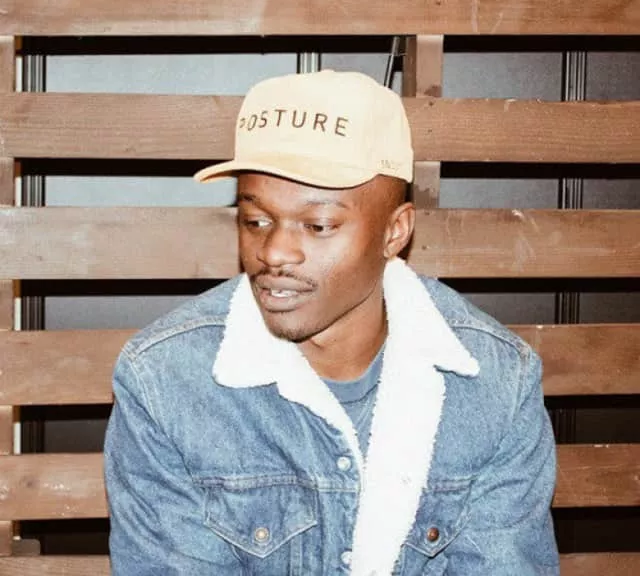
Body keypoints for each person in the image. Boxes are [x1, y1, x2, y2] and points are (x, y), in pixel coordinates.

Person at [104, 70, 560, 575]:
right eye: (255, 220)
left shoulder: (495, 381)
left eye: (317, 225)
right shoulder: (166, 379)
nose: (274, 252)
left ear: (395, 232)